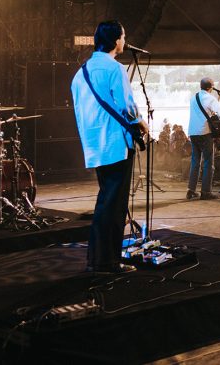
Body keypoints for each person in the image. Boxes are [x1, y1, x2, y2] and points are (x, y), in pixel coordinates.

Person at [71, 20, 149, 274]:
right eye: (124, 37)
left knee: (106, 201)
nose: (125, 41)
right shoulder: (114, 69)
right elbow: (127, 106)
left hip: (95, 145)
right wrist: (141, 123)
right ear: (116, 41)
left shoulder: (80, 73)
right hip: (115, 143)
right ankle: (107, 262)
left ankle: (98, 259)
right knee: (114, 205)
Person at [187, 77, 220, 199]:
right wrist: (219, 122)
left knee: (195, 162)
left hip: (193, 132)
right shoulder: (210, 98)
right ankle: (206, 192)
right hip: (205, 132)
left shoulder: (193, 98)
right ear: (211, 87)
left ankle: (191, 190)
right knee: (208, 162)